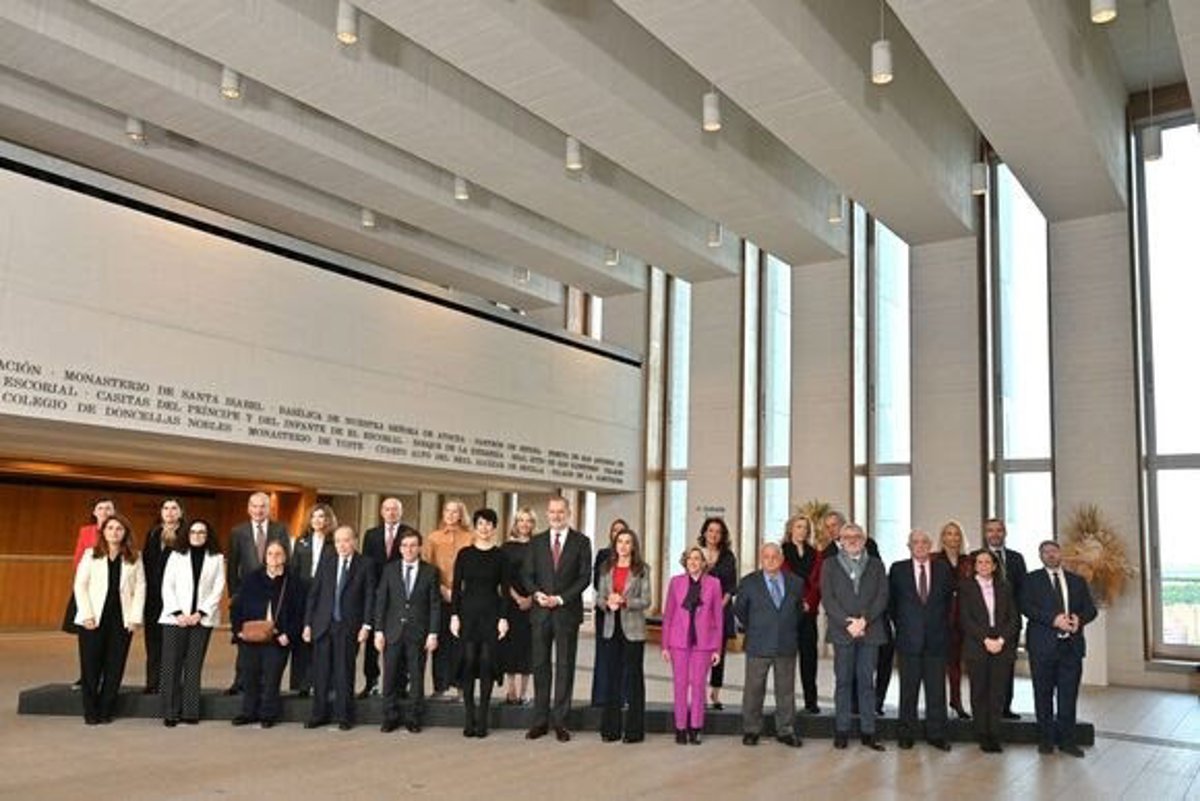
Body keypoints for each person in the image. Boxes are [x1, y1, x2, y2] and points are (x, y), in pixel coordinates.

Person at [523, 495, 591, 742]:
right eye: (552, 512)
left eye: (560, 511)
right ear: (547, 514)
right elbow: (527, 575)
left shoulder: (581, 542)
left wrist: (561, 598)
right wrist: (536, 594)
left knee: (565, 666)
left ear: (568, 513)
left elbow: (584, 577)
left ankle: (561, 722)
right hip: (540, 613)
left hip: (566, 613)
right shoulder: (537, 542)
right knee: (540, 666)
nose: (556, 516)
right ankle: (540, 721)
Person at [1020, 539, 1097, 758]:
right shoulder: (1031, 580)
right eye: (1045, 552)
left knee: (1068, 696)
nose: (1050, 555)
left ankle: (1068, 742)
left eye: (1054, 551)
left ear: (1060, 553)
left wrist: (1079, 619)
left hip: (1070, 648)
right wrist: (1053, 620)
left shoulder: (1077, 581)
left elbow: (1091, 610)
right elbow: (1026, 607)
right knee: (1043, 695)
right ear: (1040, 556)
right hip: (1042, 647)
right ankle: (1046, 740)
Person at [73, 512, 145, 724]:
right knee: (91, 666)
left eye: (119, 529)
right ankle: (90, 711)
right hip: (93, 619)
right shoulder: (91, 554)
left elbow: (141, 588)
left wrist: (135, 617)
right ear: (103, 532)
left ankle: (106, 710)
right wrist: (86, 614)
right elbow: (80, 585)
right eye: (110, 528)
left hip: (122, 620)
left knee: (115, 667)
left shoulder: (134, 557)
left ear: (125, 533)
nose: (114, 532)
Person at [822, 522, 888, 751]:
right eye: (847, 536)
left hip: (870, 631)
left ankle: (869, 731)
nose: (852, 540)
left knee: (867, 682)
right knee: (843, 681)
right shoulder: (830, 564)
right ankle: (842, 730)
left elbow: (882, 596)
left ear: (864, 539)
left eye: (856, 536)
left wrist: (864, 620)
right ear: (840, 540)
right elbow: (828, 598)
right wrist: (847, 622)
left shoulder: (876, 565)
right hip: (843, 632)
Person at [303, 524, 375, 731]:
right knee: (321, 673)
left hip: (348, 626)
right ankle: (319, 715)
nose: (342, 545)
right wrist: (308, 624)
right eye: (337, 541)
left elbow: (370, 596)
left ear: (354, 541)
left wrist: (366, 625)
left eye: (346, 540)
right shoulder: (327, 561)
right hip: (323, 625)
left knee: (344, 673)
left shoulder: (366, 564)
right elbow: (314, 594)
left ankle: (344, 716)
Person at [888, 529, 954, 751]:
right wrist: (904, 626)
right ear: (909, 546)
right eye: (915, 542)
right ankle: (906, 733)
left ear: (931, 545)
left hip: (937, 639)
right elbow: (892, 604)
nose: (920, 545)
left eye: (925, 542)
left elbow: (949, 603)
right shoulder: (898, 570)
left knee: (937, 691)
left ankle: (937, 734)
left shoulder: (943, 569)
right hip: (909, 639)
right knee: (908, 690)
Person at [734, 543, 804, 748]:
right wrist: (757, 627)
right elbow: (740, 610)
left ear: (781, 559)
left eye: (775, 556)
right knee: (754, 690)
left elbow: (798, 612)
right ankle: (751, 730)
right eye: (766, 556)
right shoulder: (748, 582)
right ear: (761, 559)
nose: (771, 560)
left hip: (785, 643)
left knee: (786, 691)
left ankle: (786, 730)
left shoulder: (795, 582)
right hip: (758, 643)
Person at [230, 539, 304, 728]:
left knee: (272, 678)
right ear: (265, 557)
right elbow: (236, 606)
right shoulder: (252, 578)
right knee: (250, 676)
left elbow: (299, 612)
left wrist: (289, 634)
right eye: (270, 554)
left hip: (278, 637)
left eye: (278, 554)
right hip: (251, 636)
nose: (274, 558)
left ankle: (267, 714)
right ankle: (248, 712)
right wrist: (238, 630)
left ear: (285, 557)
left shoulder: (293, 582)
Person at [450, 508, 510, 737]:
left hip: (491, 614)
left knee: (486, 662)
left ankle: (482, 718)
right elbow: (456, 587)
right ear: (475, 527)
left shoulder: (500, 556)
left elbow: (505, 591)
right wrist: (454, 615)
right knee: (468, 661)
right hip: (467, 614)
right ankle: (469, 717)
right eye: (481, 524)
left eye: (489, 524)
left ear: (494, 528)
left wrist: (503, 618)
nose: (484, 528)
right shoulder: (465, 554)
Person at [159, 518, 225, 726]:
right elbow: (167, 585)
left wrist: (201, 613)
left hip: (201, 620)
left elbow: (218, 588)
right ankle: (170, 712)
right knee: (171, 666)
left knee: (193, 666)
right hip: (174, 619)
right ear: (187, 535)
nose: (197, 536)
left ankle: (190, 711)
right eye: (193, 532)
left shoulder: (216, 558)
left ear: (208, 535)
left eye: (202, 532)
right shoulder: (176, 555)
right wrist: (178, 613)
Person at [375, 529, 440, 733]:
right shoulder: (389, 570)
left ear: (419, 548)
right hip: (392, 631)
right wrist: (378, 630)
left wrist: (433, 633)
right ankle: (390, 716)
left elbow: (434, 604)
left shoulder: (430, 571)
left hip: (418, 632)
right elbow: (381, 601)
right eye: (405, 545)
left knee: (417, 676)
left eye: (413, 545)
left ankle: (413, 718)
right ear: (400, 548)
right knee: (390, 676)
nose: (409, 549)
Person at [226, 491, 291, 695]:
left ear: (269, 509)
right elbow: (232, 566)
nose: (258, 510)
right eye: (254, 506)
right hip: (248, 593)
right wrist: (234, 594)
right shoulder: (238, 532)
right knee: (247, 637)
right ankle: (240, 681)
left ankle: (265, 683)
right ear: (248, 509)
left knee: (269, 637)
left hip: (273, 590)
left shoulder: (280, 529)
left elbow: (286, 559)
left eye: (263, 506)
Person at [661, 547, 723, 745]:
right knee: (680, 685)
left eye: (697, 559)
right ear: (685, 562)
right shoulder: (675, 582)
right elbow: (668, 615)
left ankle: (696, 727)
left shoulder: (714, 584)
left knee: (698, 685)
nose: (693, 562)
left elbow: (718, 617)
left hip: (704, 643)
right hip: (678, 642)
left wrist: (717, 649)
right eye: (690, 559)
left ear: (704, 563)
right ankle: (680, 727)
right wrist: (665, 645)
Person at [958, 550, 1018, 753]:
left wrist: (1000, 640)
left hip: (1002, 645)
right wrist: (985, 639)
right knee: (980, 692)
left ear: (994, 566)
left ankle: (995, 733)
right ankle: (982, 734)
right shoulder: (966, 587)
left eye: (987, 562)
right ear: (975, 566)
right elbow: (965, 619)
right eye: (980, 562)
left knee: (997, 693)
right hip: (977, 644)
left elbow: (1014, 619)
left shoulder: (1005, 586)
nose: (983, 565)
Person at [594, 528, 650, 743]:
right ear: (615, 545)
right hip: (611, 627)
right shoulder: (606, 568)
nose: (623, 546)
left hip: (633, 630)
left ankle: (634, 731)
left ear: (633, 546)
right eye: (620, 542)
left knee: (633, 679)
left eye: (628, 542)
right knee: (612, 677)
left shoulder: (642, 569)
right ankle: (611, 729)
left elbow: (646, 600)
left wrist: (625, 601)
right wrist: (607, 603)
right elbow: (599, 597)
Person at [62, 498, 116, 690]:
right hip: (89, 591)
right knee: (87, 639)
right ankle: (87, 677)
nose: (104, 511)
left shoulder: (119, 530)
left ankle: (105, 677)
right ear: (94, 512)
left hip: (111, 591)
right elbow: (79, 559)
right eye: (100, 508)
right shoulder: (86, 531)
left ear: (114, 512)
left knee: (109, 639)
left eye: (108, 508)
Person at [421, 499, 473, 699]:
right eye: (448, 511)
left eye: (455, 512)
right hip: (440, 596)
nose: (451, 515)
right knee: (441, 643)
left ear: (461, 515)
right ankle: (440, 687)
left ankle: (462, 687)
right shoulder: (433, 537)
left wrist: (459, 591)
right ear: (443, 514)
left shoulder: (470, 537)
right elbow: (427, 566)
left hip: (465, 597)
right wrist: (442, 589)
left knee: (462, 643)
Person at [360, 497, 407, 698]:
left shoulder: (408, 533)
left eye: (395, 509)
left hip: (399, 595)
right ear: (381, 512)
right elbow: (366, 564)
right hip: (376, 593)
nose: (391, 512)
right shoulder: (371, 535)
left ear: (400, 512)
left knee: (399, 639)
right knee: (373, 639)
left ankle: (400, 684)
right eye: (387, 509)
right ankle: (371, 681)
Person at [289, 503, 337, 696]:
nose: (317, 520)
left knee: (323, 639)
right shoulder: (301, 542)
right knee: (303, 640)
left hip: (326, 595)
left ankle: (324, 684)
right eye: (314, 516)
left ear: (328, 520)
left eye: (322, 516)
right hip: (303, 594)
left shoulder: (334, 543)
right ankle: (302, 684)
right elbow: (293, 570)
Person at [983, 517, 1026, 719]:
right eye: (990, 530)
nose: (995, 534)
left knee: (1007, 667)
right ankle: (985, 709)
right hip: (984, 623)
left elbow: (1023, 590)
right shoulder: (977, 557)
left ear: (1005, 533)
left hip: (1010, 622)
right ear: (985, 534)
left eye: (999, 530)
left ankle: (1005, 707)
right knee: (984, 669)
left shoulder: (1016, 558)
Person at [781, 513, 823, 714]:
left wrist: (809, 603)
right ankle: (786, 703)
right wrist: (797, 603)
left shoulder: (816, 554)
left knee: (809, 659)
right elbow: (781, 581)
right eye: (798, 526)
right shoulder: (781, 552)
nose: (802, 531)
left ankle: (811, 701)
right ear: (791, 529)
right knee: (786, 661)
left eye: (805, 528)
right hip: (788, 614)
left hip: (809, 613)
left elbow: (818, 583)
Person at [142, 497, 184, 694]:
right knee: (153, 642)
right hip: (153, 597)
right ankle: (153, 683)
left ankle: (170, 684)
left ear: (180, 513)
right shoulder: (153, 533)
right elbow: (146, 563)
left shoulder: (186, 534)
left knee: (173, 644)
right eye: (166, 508)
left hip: (176, 597)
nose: (169, 512)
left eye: (174, 508)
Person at [937, 520, 975, 719]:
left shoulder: (969, 561)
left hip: (962, 620)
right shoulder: (934, 560)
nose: (952, 537)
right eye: (948, 533)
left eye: (956, 534)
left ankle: (957, 701)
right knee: (937, 665)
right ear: (942, 537)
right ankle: (937, 705)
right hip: (939, 620)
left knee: (956, 664)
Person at [499, 507, 536, 705]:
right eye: (521, 520)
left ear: (533, 524)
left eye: (528, 520)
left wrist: (530, 598)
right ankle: (511, 688)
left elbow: (542, 576)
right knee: (510, 645)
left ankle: (525, 691)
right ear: (516, 523)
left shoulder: (539, 546)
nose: (524, 524)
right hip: (511, 603)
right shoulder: (506, 547)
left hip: (533, 602)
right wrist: (517, 598)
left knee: (528, 647)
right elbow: (503, 578)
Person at [590, 517, 629, 708]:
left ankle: (621, 697)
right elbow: (597, 582)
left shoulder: (634, 558)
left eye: (621, 531)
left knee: (623, 657)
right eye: (615, 531)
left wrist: (622, 598)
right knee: (604, 655)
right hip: (605, 611)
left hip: (627, 613)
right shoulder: (603, 554)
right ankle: (601, 697)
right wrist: (610, 598)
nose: (617, 534)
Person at [698, 517, 736, 711]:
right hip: (699, 612)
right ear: (705, 533)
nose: (714, 535)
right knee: (700, 654)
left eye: (718, 532)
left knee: (718, 654)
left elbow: (731, 585)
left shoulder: (728, 556)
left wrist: (720, 606)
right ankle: (700, 692)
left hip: (721, 609)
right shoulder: (696, 554)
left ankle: (715, 693)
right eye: (711, 530)